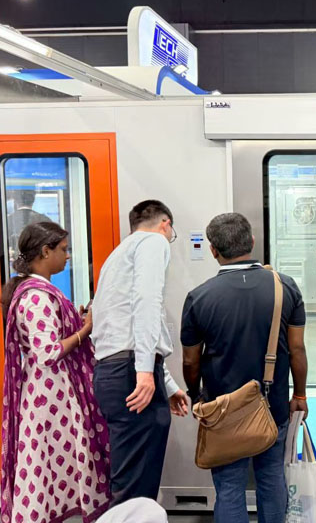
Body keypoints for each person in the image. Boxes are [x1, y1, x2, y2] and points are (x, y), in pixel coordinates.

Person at [181, 213, 309, 523]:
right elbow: (297, 349)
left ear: (213, 250)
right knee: (272, 479)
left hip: (222, 408)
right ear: (251, 242)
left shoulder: (199, 298)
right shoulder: (285, 287)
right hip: (273, 404)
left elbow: (190, 361)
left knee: (229, 487)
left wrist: (195, 395)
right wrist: (300, 395)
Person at [0, 222, 111, 523]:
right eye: (63, 249)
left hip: (50, 390)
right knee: (47, 457)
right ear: (45, 252)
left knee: (53, 457)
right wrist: (85, 330)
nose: (68, 256)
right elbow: (47, 352)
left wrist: (75, 321)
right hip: (49, 394)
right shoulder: (37, 296)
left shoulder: (38, 291)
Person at [91, 200, 189, 507]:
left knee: (130, 477)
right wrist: (145, 372)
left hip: (112, 371)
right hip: (131, 372)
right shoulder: (153, 242)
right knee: (137, 485)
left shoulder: (116, 257)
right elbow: (146, 303)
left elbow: (126, 326)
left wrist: (167, 384)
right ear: (165, 224)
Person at [6, 190, 51, 266]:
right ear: (33, 200)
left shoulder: (7, 221)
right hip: (39, 263)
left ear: (16, 201)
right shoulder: (44, 220)